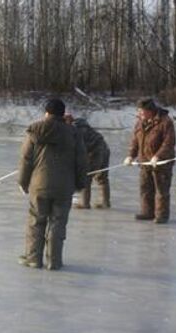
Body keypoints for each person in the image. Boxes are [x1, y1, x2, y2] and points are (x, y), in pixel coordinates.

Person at [17, 99, 88, 270]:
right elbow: (81, 160)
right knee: (58, 222)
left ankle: (34, 258)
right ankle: (54, 261)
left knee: (37, 221)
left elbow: (26, 159)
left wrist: (23, 182)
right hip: (64, 186)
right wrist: (80, 183)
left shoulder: (35, 129)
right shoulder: (73, 133)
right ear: (62, 114)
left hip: (39, 184)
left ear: (47, 112)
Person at [123, 98, 176, 223]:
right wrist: (131, 155)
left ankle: (161, 215)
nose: (139, 114)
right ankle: (147, 212)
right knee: (145, 188)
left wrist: (159, 156)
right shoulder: (140, 123)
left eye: (141, 112)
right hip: (144, 161)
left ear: (150, 110)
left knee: (161, 190)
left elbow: (169, 142)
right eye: (138, 112)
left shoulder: (165, 122)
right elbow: (135, 141)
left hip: (161, 163)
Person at [64, 115, 111, 209]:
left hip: (93, 153)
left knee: (85, 177)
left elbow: (76, 147)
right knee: (102, 178)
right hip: (104, 149)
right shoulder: (83, 126)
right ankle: (105, 202)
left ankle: (85, 203)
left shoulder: (74, 129)